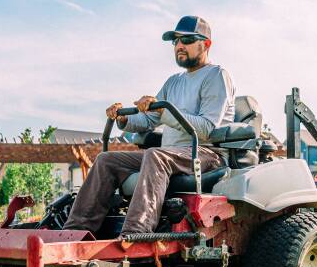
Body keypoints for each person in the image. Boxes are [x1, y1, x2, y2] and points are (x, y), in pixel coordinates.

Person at [63, 16, 236, 235]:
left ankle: (136, 234)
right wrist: (124, 120)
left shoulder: (216, 76)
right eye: (176, 41)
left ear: (206, 44)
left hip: (207, 154)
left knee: (156, 155)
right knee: (106, 160)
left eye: (187, 40)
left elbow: (206, 128)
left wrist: (163, 110)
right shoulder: (174, 81)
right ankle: (74, 234)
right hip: (173, 155)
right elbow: (149, 120)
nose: (180, 46)